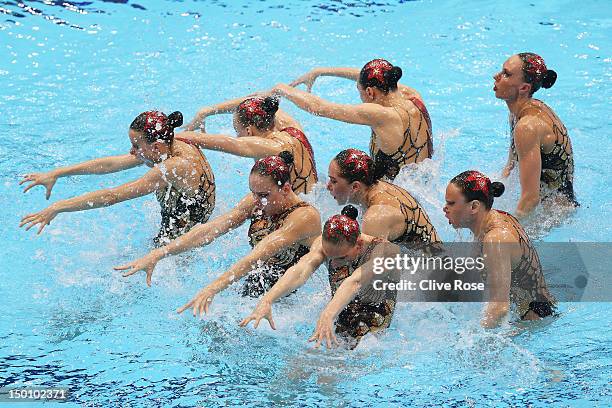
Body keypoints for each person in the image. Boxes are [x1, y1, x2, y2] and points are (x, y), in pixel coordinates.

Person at [116, 152, 321, 295]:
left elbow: (258, 254)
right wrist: (159, 253)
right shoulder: (257, 201)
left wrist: (213, 288)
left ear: (285, 189)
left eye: (263, 195)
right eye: (253, 193)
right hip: (257, 284)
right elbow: (211, 230)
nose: (256, 201)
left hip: (288, 298)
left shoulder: (304, 217)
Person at [19, 111, 215, 246]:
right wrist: (57, 173)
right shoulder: (170, 141)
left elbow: (112, 196)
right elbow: (111, 164)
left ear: (155, 146)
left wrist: (58, 207)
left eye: (136, 146)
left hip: (187, 229)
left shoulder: (174, 167)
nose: (132, 151)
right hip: (187, 211)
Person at [241, 206, 399, 349]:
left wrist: (328, 314)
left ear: (359, 243)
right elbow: (301, 270)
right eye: (331, 257)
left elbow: (355, 281)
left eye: (342, 258)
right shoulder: (324, 244)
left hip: (374, 323)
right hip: (339, 313)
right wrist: (268, 300)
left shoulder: (387, 252)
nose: (335, 264)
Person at [272, 58, 433, 180]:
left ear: (370, 92)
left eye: (360, 91)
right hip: (421, 184)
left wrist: (281, 89)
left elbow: (319, 108)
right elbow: (363, 76)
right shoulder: (411, 96)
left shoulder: (381, 115)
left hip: (393, 195)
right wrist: (321, 71)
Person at [443, 170, 556, 327]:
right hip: (533, 313)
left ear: (474, 207)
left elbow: (500, 308)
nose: (445, 209)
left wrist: (476, 342)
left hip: (533, 323)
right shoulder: (493, 218)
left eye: (451, 203)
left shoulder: (495, 240)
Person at [178, 96, 317, 194]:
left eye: (238, 132)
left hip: (299, 211)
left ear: (249, 131)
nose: (238, 136)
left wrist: (173, 136)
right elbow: (259, 98)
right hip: (317, 195)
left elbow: (230, 143)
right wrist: (207, 112)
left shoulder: (270, 147)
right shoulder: (291, 126)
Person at [494, 52, 577, 217]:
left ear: (524, 88)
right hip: (545, 200)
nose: (496, 76)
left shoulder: (527, 126)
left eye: (506, 74)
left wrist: (508, 230)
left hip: (555, 212)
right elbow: (512, 163)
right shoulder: (518, 112)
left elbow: (531, 199)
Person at [326, 148, 440, 248]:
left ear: (355, 186)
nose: (328, 186)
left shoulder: (376, 216)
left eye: (334, 181)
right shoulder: (377, 185)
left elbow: (372, 269)